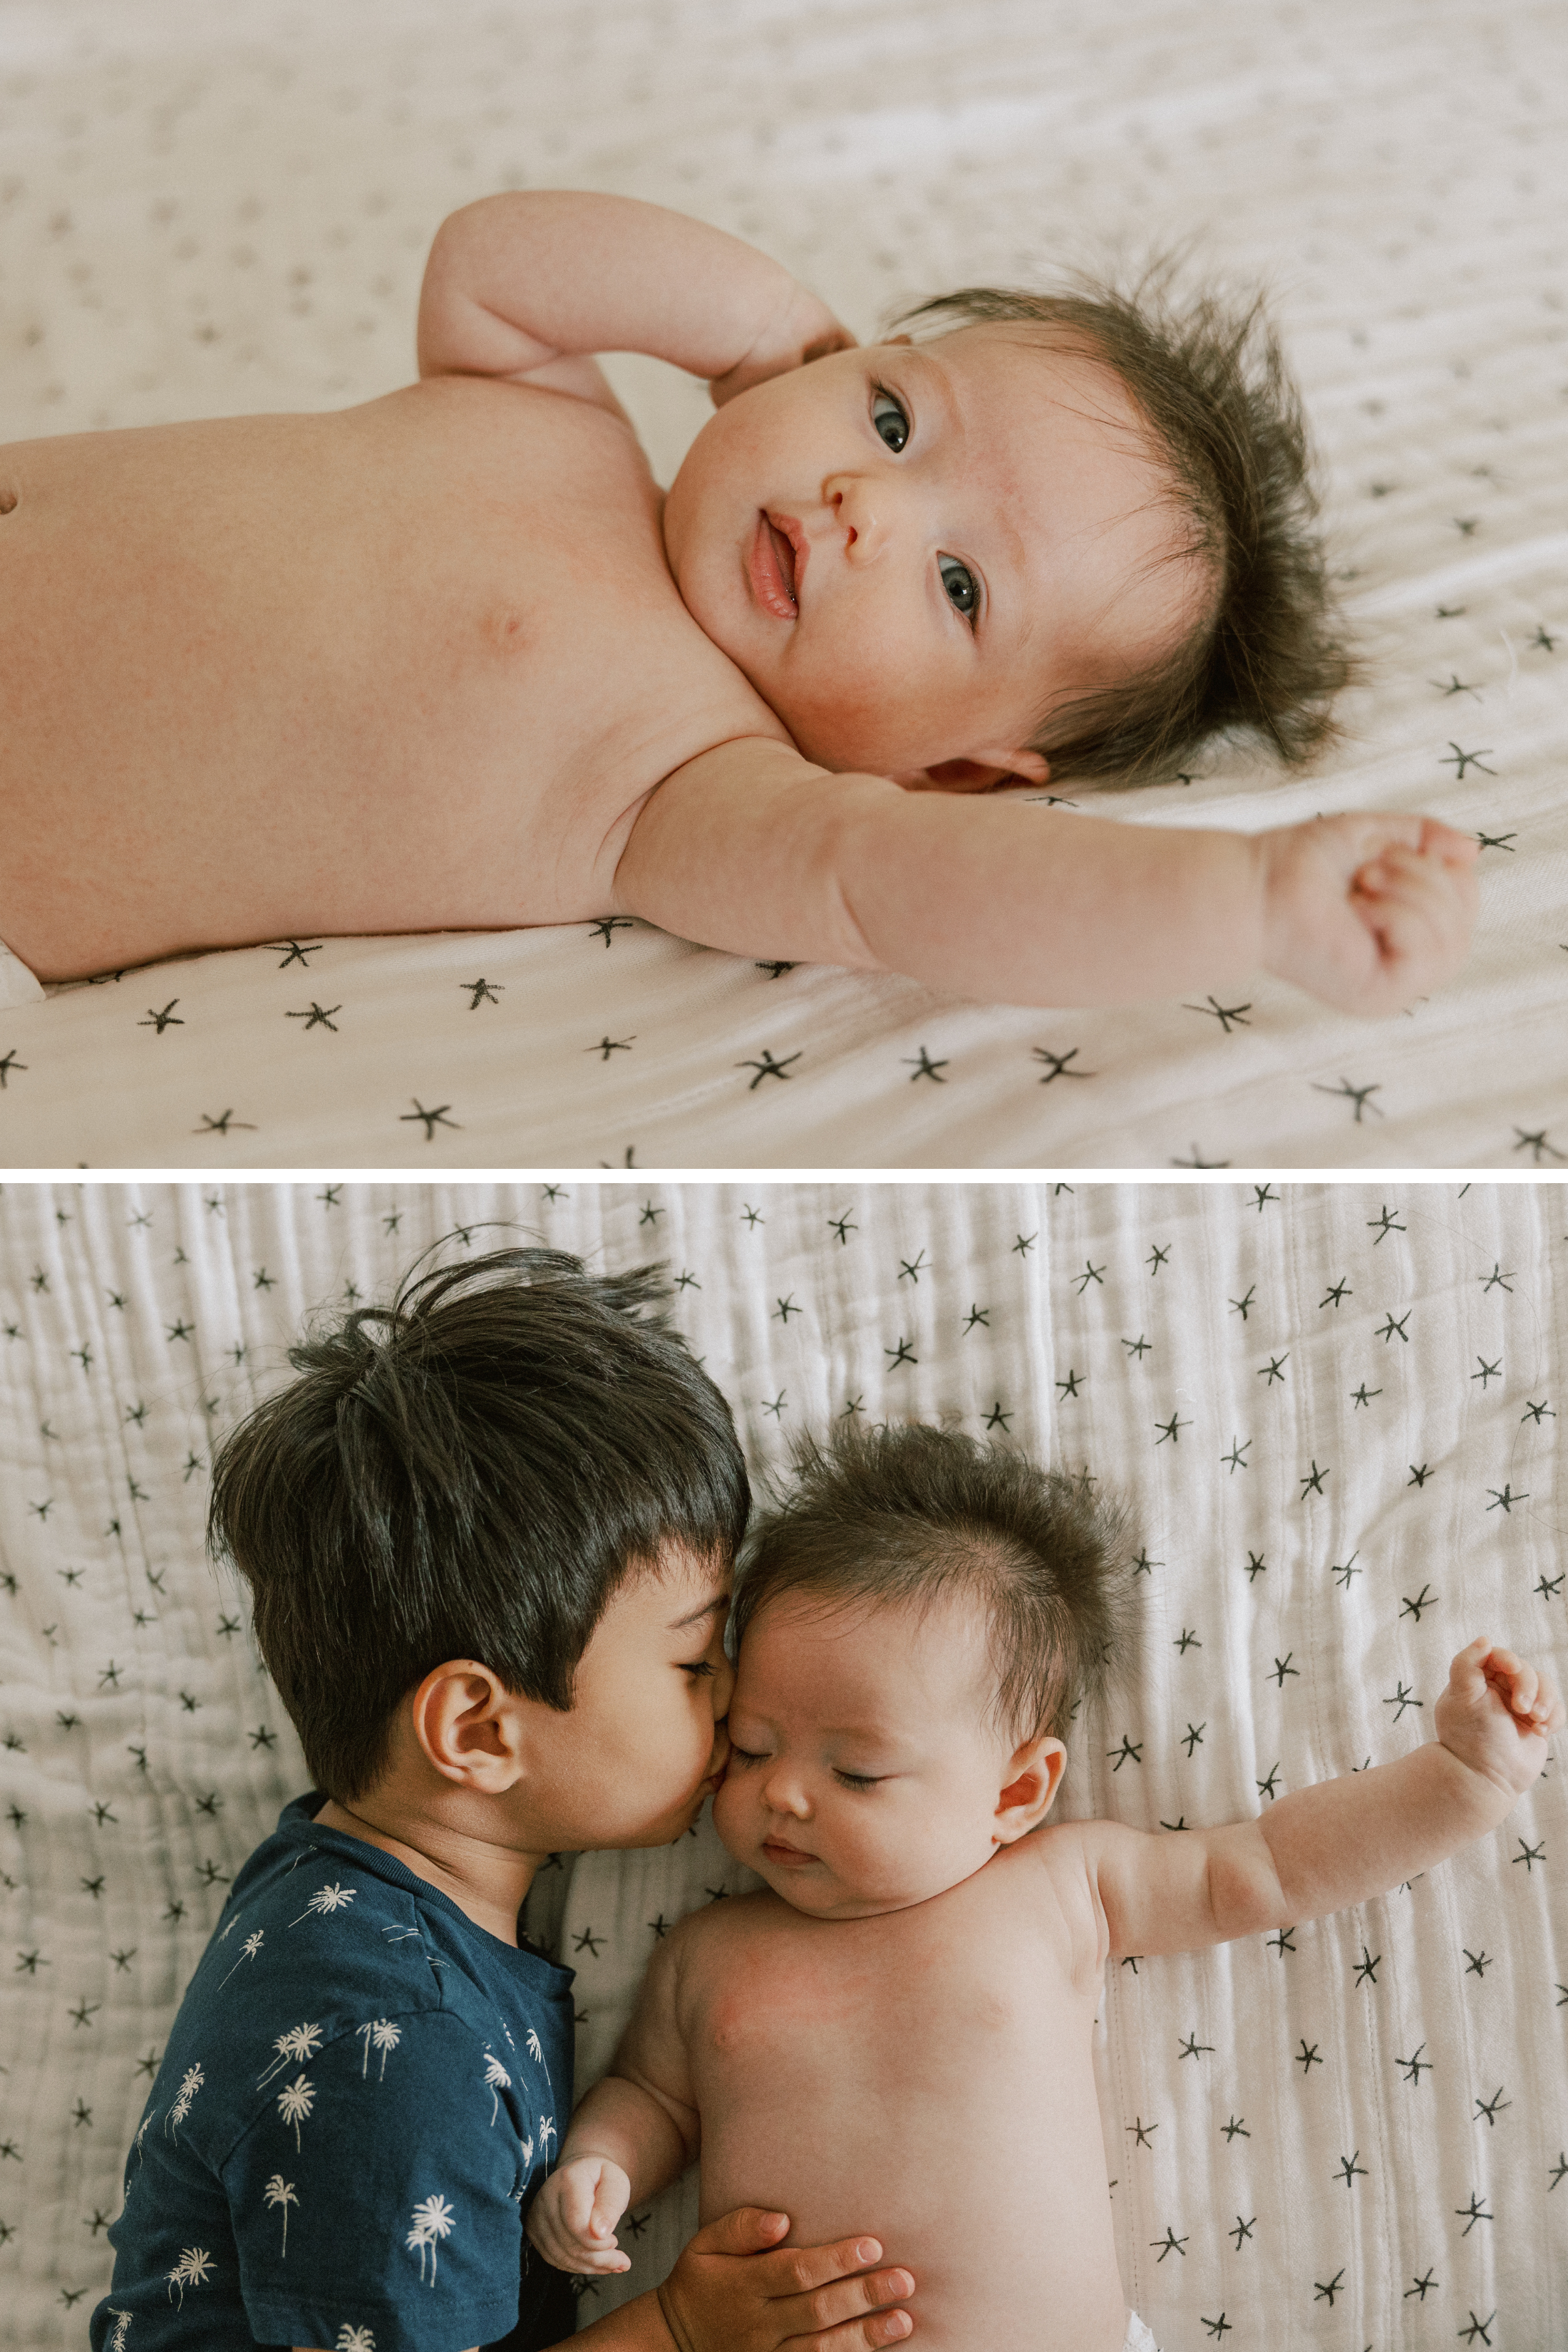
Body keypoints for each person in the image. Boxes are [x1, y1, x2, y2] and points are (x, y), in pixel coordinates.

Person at [1, 192, 1475, 1018]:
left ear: (955, 768)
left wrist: (1249, 901)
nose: (865, 507)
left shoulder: (680, 789)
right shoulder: (542, 412)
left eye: (957, 586)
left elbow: (914, 892)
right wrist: (772, 340)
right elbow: (489, 256)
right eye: (893, 421)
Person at [527, 1423, 1563, 2352]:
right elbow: (652, 2098)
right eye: (751, 1748)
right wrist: (600, 2167)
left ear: (1016, 1791)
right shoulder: (707, 1953)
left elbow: (1271, 1866)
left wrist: (1460, 1781)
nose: (781, 1796)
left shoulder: (1059, 1887)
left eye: (857, 1772)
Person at [89, 1248, 921, 2352]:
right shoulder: (394, 2051)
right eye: (691, 1664)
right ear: (478, 1733)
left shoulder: (331, 1890)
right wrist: (680, 2329)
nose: (733, 1697)